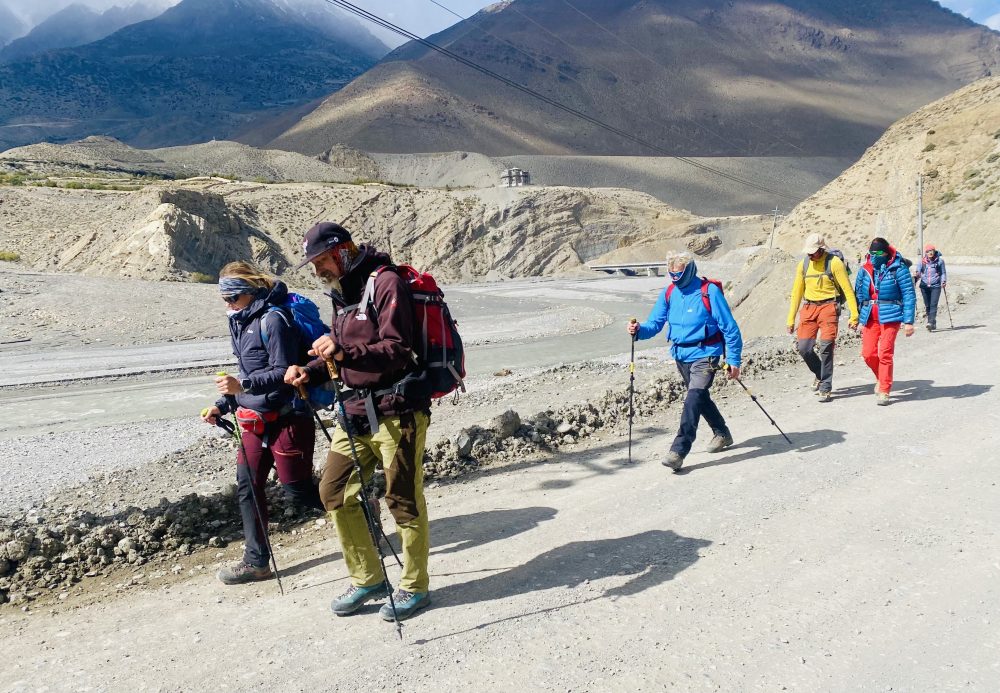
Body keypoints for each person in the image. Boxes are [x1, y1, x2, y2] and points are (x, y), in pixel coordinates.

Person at [284, 222, 433, 621]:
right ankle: (367, 577)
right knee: (333, 492)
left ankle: (414, 586)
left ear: (343, 250)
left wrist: (342, 351)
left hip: (397, 411)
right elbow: (341, 353)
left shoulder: (386, 283)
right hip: (352, 411)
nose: (317, 270)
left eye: (320, 261)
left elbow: (396, 349)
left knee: (402, 499)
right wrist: (310, 371)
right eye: (314, 264)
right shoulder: (342, 293)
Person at [201, 261, 323, 585]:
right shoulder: (239, 322)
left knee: (297, 491)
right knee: (248, 487)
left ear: (251, 292)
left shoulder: (274, 319)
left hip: (289, 416)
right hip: (254, 419)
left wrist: (242, 388)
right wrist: (223, 405)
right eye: (225, 300)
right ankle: (256, 563)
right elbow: (247, 374)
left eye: (233, 299)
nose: (228, 306)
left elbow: (284, 373)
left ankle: (361, 510)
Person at [627, 251, 743, 472]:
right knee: (699, 398)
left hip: (706, 353)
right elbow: (655, 323)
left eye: (678, 274)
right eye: (671, 274)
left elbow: (730, 328)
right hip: (681, 356)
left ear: (689, 270)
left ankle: (678, 450)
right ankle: (722, 433)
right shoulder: (669, 292)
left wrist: (734, 360)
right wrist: (639, 330)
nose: (674, 279)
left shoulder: (709, 292)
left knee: (693, 397)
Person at [785, 233, 859, 402]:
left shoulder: (835, 263)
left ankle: (825, 385)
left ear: (821, 249)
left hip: (828, 308)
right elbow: (796, 293)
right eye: (808, 252)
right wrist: (790, 319)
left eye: (813, 252)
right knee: (804, 348)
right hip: (809, 308)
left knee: (826, 348)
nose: (810, 255)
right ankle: (819, 373)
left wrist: (854, 315)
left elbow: (848, 290)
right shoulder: (803, 264)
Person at [853, 238, 917, 405]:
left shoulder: (899, 268)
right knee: (868, 354)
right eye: (872, 253)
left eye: (878, 253)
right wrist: (857, 316)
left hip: (891, 315)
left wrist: (908, 321)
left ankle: (884, 390)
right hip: (870, 316)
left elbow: (909, 295)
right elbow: (858, 293)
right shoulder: (865, 269)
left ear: (886, 252)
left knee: (885, 353)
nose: (874, 256)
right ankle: (881, 378)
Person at [913, 243, 947, 331]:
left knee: (933, 304)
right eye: (928, 251)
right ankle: (932, 322)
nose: (930, 253)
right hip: (924, 286)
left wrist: (943, 281)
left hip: (936, 285)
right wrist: (915, 277)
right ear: (926, 253)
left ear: (934, 251)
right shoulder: (922, 262)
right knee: (927, 305)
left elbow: (943, 273)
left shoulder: (940, 261)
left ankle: (930, 322)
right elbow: (918, 273)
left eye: (931, 251)